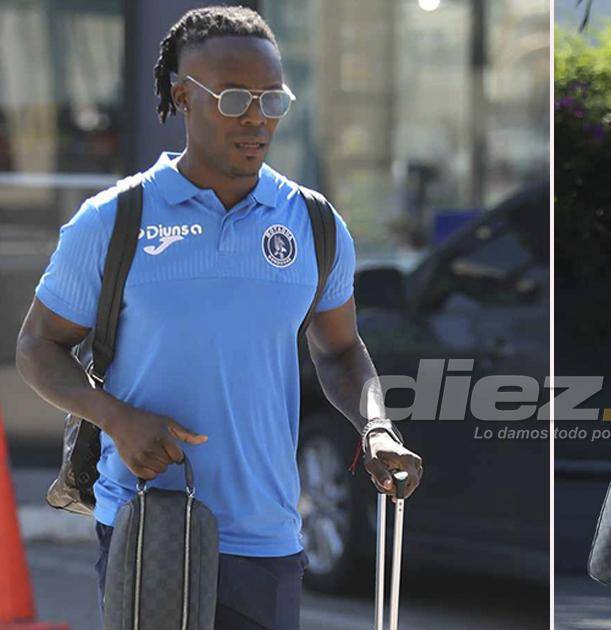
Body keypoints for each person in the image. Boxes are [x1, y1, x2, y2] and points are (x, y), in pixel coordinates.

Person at [14, 7, 422, 629]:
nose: (257, 118)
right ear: (183, 97)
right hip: (149, 523)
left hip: (268, 536)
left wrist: (376, 427)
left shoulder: (314, 224)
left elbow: (340, 351)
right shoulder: (113, 220)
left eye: (272, 100)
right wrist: (115, 418)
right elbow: (38, 345)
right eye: (234, 99)